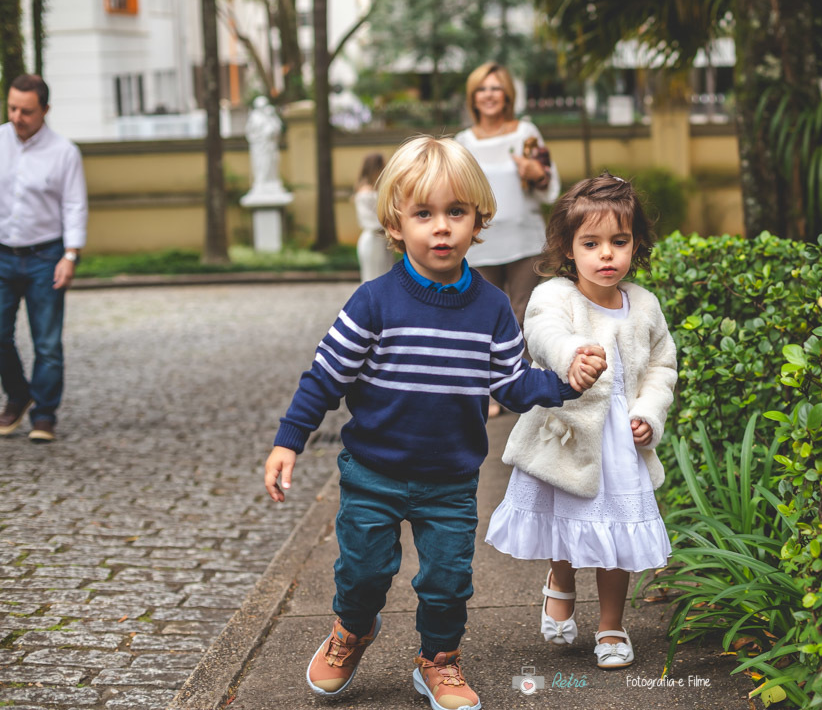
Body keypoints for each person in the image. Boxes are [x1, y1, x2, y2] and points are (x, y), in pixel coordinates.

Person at [262, 135, 606, 710]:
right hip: (374, 472)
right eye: (423, 214)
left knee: (448, 580)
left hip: (449, 479)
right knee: (363, 573)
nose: (441, 227)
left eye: (456, 213)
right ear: (396, 225)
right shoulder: (373, 302)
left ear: (479, 221)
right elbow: (326, 376)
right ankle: (352, 630)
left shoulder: (492, 307)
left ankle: (438, 661)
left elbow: (511, 383)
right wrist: (287, 440)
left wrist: (564, 382)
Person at [485, 173, 678, 670]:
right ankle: (561, 578)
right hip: (566, 432)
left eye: (619, 241)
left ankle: (612, 626)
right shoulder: (556, 295)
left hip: (620, 438)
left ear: (636, 244)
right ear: (569, 249)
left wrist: (648, 414)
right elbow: (543, 331)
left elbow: (661, 367)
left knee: (616, 531)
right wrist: (573, 354)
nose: (607, 255)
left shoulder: (646, 306)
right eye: (591, 243)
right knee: (566, 522)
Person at [454, 63, 559, 417]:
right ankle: (488, 391)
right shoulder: (462, 144)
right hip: (480, 244)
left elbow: (549, 187)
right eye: (482, 89)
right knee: (482, 316)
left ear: (508, 95)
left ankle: (519, 386)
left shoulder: (526, 134)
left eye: (496, 88)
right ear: (473, 97)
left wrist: (537, 173)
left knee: (523, 314)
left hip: (525, 241)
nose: (489, 95)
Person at [0, 74, 88, 443]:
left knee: (47, 343)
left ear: (45, 110)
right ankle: (19, 394)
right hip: (3, 254)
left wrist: (69, 256)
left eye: (27, 111)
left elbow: (74, 205)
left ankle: (45, 414)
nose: (18, 116)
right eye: (12, 108)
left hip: (46, 256)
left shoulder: (64, 152)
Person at [353, 152, 392, 282]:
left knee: (385, 278)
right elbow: (370, 221)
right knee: (374, 279)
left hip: (382, 241)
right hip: (373, 240)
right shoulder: (365, 193)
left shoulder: (377, 190)